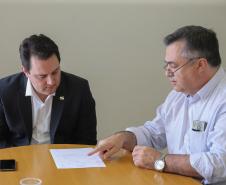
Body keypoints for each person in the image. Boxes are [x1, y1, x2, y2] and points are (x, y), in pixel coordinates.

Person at [89, 26, 226, 185]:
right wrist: (123, 138)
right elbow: (154, 133)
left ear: (200, 65)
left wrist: (160, 161)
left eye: (173, 66)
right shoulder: (178, 95)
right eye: (166, 65)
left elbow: (221, 163)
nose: (167, 73)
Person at [0, 34, 97, 148]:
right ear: (26, 72)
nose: (51, 81)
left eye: (55, 72)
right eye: (42, 76)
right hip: (20, 157)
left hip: (63, 158)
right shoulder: (4, 90)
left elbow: (87, 140)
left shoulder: (79, 89)